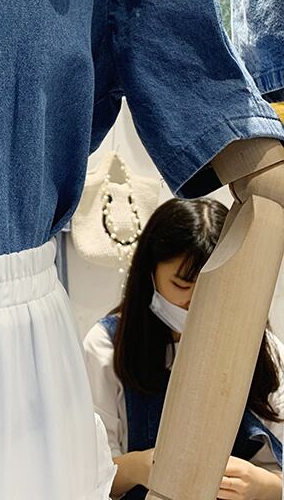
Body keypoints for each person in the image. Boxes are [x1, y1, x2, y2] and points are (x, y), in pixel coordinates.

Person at [83, 197, 284, 500]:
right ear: (150, 273)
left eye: (212, 290)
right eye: (181, 286)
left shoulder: (261, 347)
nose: (196, 303)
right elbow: (88, 477)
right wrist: (141, 467)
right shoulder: (106, 346)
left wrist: (266, 486)